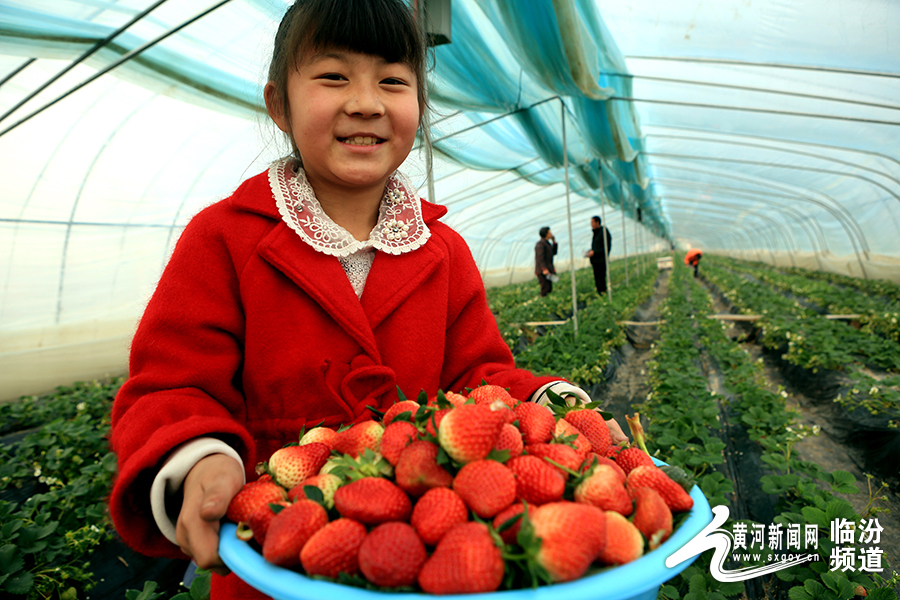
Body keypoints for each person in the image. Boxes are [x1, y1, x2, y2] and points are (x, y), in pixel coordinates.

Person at [107, 2, 627, 598]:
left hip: (425, 550)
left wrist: (550, 404)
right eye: (333, 76)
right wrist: (199, 457)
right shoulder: (226, 239)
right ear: (280, 105)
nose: (365, 101)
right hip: (277, 563)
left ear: (419, 108)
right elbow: (172, 385)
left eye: (393, 81)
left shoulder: (444, 250)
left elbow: (480, 374)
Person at [586, 215, 612, 296]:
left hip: (601, 260)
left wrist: (595, 252)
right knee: (597, 278)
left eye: (592, 222)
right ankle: (600, 293)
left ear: (597, 222)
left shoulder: (603, 232)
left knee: (601, 278)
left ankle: (603, 293)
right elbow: (597, 246)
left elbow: (606, 247)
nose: (591, 224)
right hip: (595, 261)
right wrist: (591, 251)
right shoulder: (596, 233)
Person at [534, 226, 558, 296]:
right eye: (549, 232)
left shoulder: (547, 244)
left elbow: (554, 252)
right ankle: (543, 302)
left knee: (549, 288)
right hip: (543, 271)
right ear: (546, 234)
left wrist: (554, 242)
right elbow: (540, 257)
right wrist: (544, 268)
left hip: (548, 269)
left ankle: (548, 302)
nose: (551, 234)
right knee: (545, 288)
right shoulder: (540, 244)